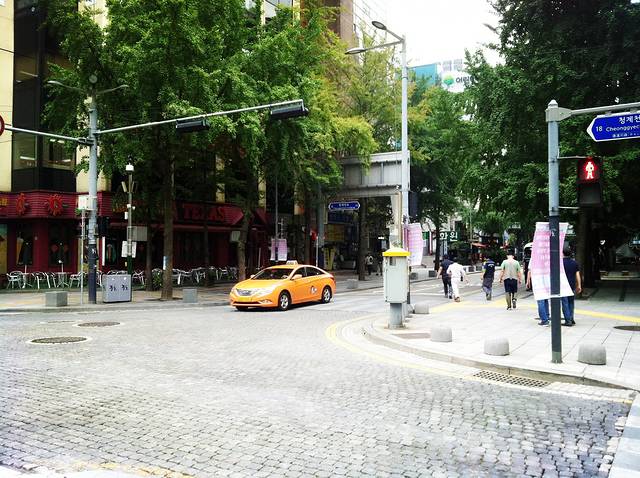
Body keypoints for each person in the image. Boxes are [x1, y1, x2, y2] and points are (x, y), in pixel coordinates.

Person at [561, 245, 582, 326]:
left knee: (565, 303)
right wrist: (579, 285)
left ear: (563, 253)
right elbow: (577, 275)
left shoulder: (561, 263)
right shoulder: (574, 263)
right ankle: (571, 318)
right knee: (571, 302)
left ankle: (568, 320)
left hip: (563, 286)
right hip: (572, 285)